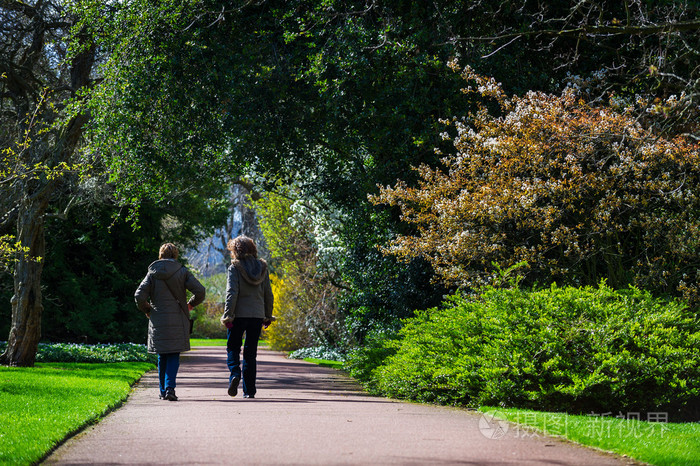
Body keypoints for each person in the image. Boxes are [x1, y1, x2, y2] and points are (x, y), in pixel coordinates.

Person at [135, 243, 205, 401]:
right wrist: (190, 305)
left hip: (158, 318)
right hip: (177, 318)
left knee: (162, 356)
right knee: (173, 354)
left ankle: (162, 390)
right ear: (175, 255)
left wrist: (148, 310)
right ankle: (170, 388)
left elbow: (139, 296)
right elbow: (200, 291)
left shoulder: (152, 273)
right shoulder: (182, 272)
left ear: (160, 255)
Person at [220, 235, 274, 399]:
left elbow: (232, 293)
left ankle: (235, 373)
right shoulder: (262, 267)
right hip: (257, 316)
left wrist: (228, 315)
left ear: (235, 250)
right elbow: (268, 294)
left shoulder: (234, 268)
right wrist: (267, 316)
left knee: (233, 348)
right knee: (251, 353)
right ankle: (249, 391)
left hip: (238, 316)